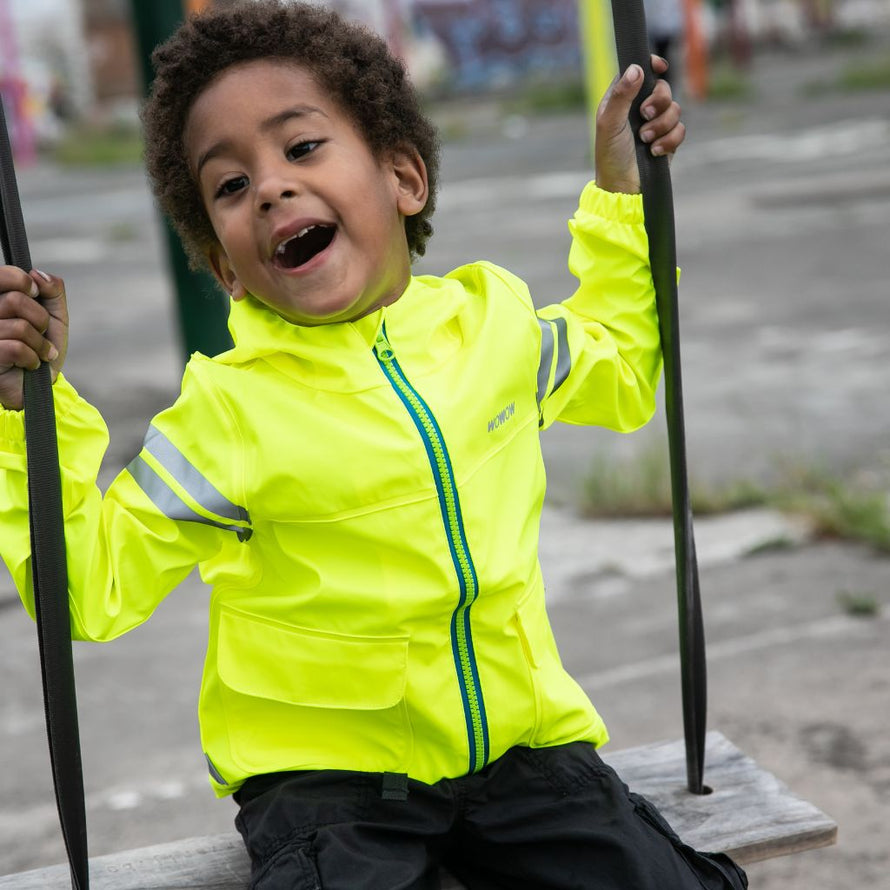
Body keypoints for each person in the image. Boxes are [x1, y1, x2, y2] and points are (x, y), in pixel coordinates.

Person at [0, 2, 746, 888]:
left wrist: (623, 196)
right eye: (229, 186)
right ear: (227, 268)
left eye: (302, 147)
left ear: (404, 178)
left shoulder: (493, 328)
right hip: (329, 788)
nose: (270, 186)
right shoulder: (229, 415)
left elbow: (620, 370)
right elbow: (90, 584)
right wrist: (22, 414)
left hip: (521, 751)